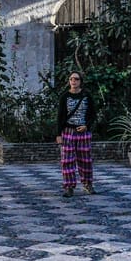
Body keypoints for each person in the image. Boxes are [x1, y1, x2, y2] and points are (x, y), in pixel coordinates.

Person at [54, 70, 97, 198]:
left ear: (80, 82)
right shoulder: (64, 96)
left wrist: (87, 126)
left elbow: (93, 114)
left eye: (76, 79)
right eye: (71, 79)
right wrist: (58, 134)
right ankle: (69, 187)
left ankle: (87, 184)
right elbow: (60, 116)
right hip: (67, 131)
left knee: (85, 160)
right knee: (67, 160)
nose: (73, 81)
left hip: (83, 132)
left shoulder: (86, 96)